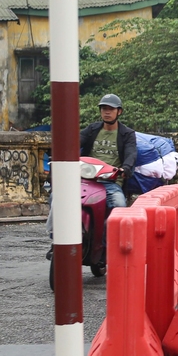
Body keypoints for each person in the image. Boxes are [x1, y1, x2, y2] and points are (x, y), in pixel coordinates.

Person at [46, 94, 137, 250]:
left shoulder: (126, 134)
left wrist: (126, 168)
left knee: (119, 205)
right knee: (56, 196)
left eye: (111, 109)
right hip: (86, 179)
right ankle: (57, 236)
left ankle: (105, 247)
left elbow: (131, 153)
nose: (107, 112)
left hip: (111, 182)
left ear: (119, 112)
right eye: (104, 109)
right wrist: (61, 153)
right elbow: (75, 142)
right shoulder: (92, 129)